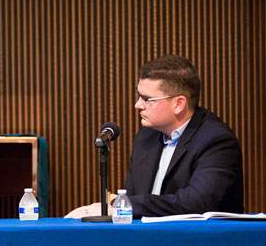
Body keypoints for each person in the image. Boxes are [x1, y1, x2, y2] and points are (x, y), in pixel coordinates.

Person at [67, 55, 243, 218]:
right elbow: (135, 196)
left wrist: (120, 206)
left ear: (179, 104)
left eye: (146, 99)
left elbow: (196, 203)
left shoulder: (216, 141)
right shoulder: (146, 138)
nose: (138, 105)